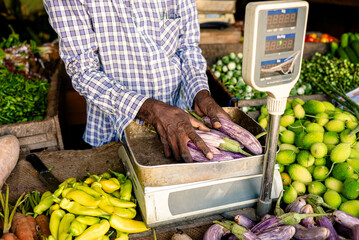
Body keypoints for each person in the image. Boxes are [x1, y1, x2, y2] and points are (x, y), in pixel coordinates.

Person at [43, 0, 231, 162]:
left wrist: (200, 92)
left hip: (182, 126)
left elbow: (188, 48)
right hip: (114, 136)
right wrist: (152, 110)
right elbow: (84, 72)